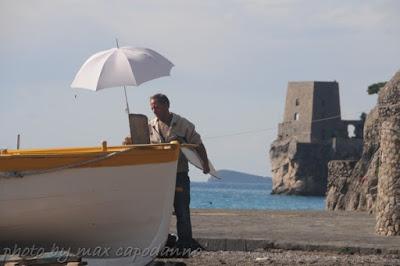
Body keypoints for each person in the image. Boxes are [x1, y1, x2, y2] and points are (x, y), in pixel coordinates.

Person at [148, 93, 210, 252]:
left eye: (157, 107)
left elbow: (198, 144)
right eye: (152, 107)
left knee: (182, 209)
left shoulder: (183, 124)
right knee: (159, 211)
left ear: (167, 106)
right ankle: (162, 241)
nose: (154, 110)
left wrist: (205, 164)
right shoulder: (150, 126)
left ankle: (185, 242)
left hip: (179, 174)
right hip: (159, 175)